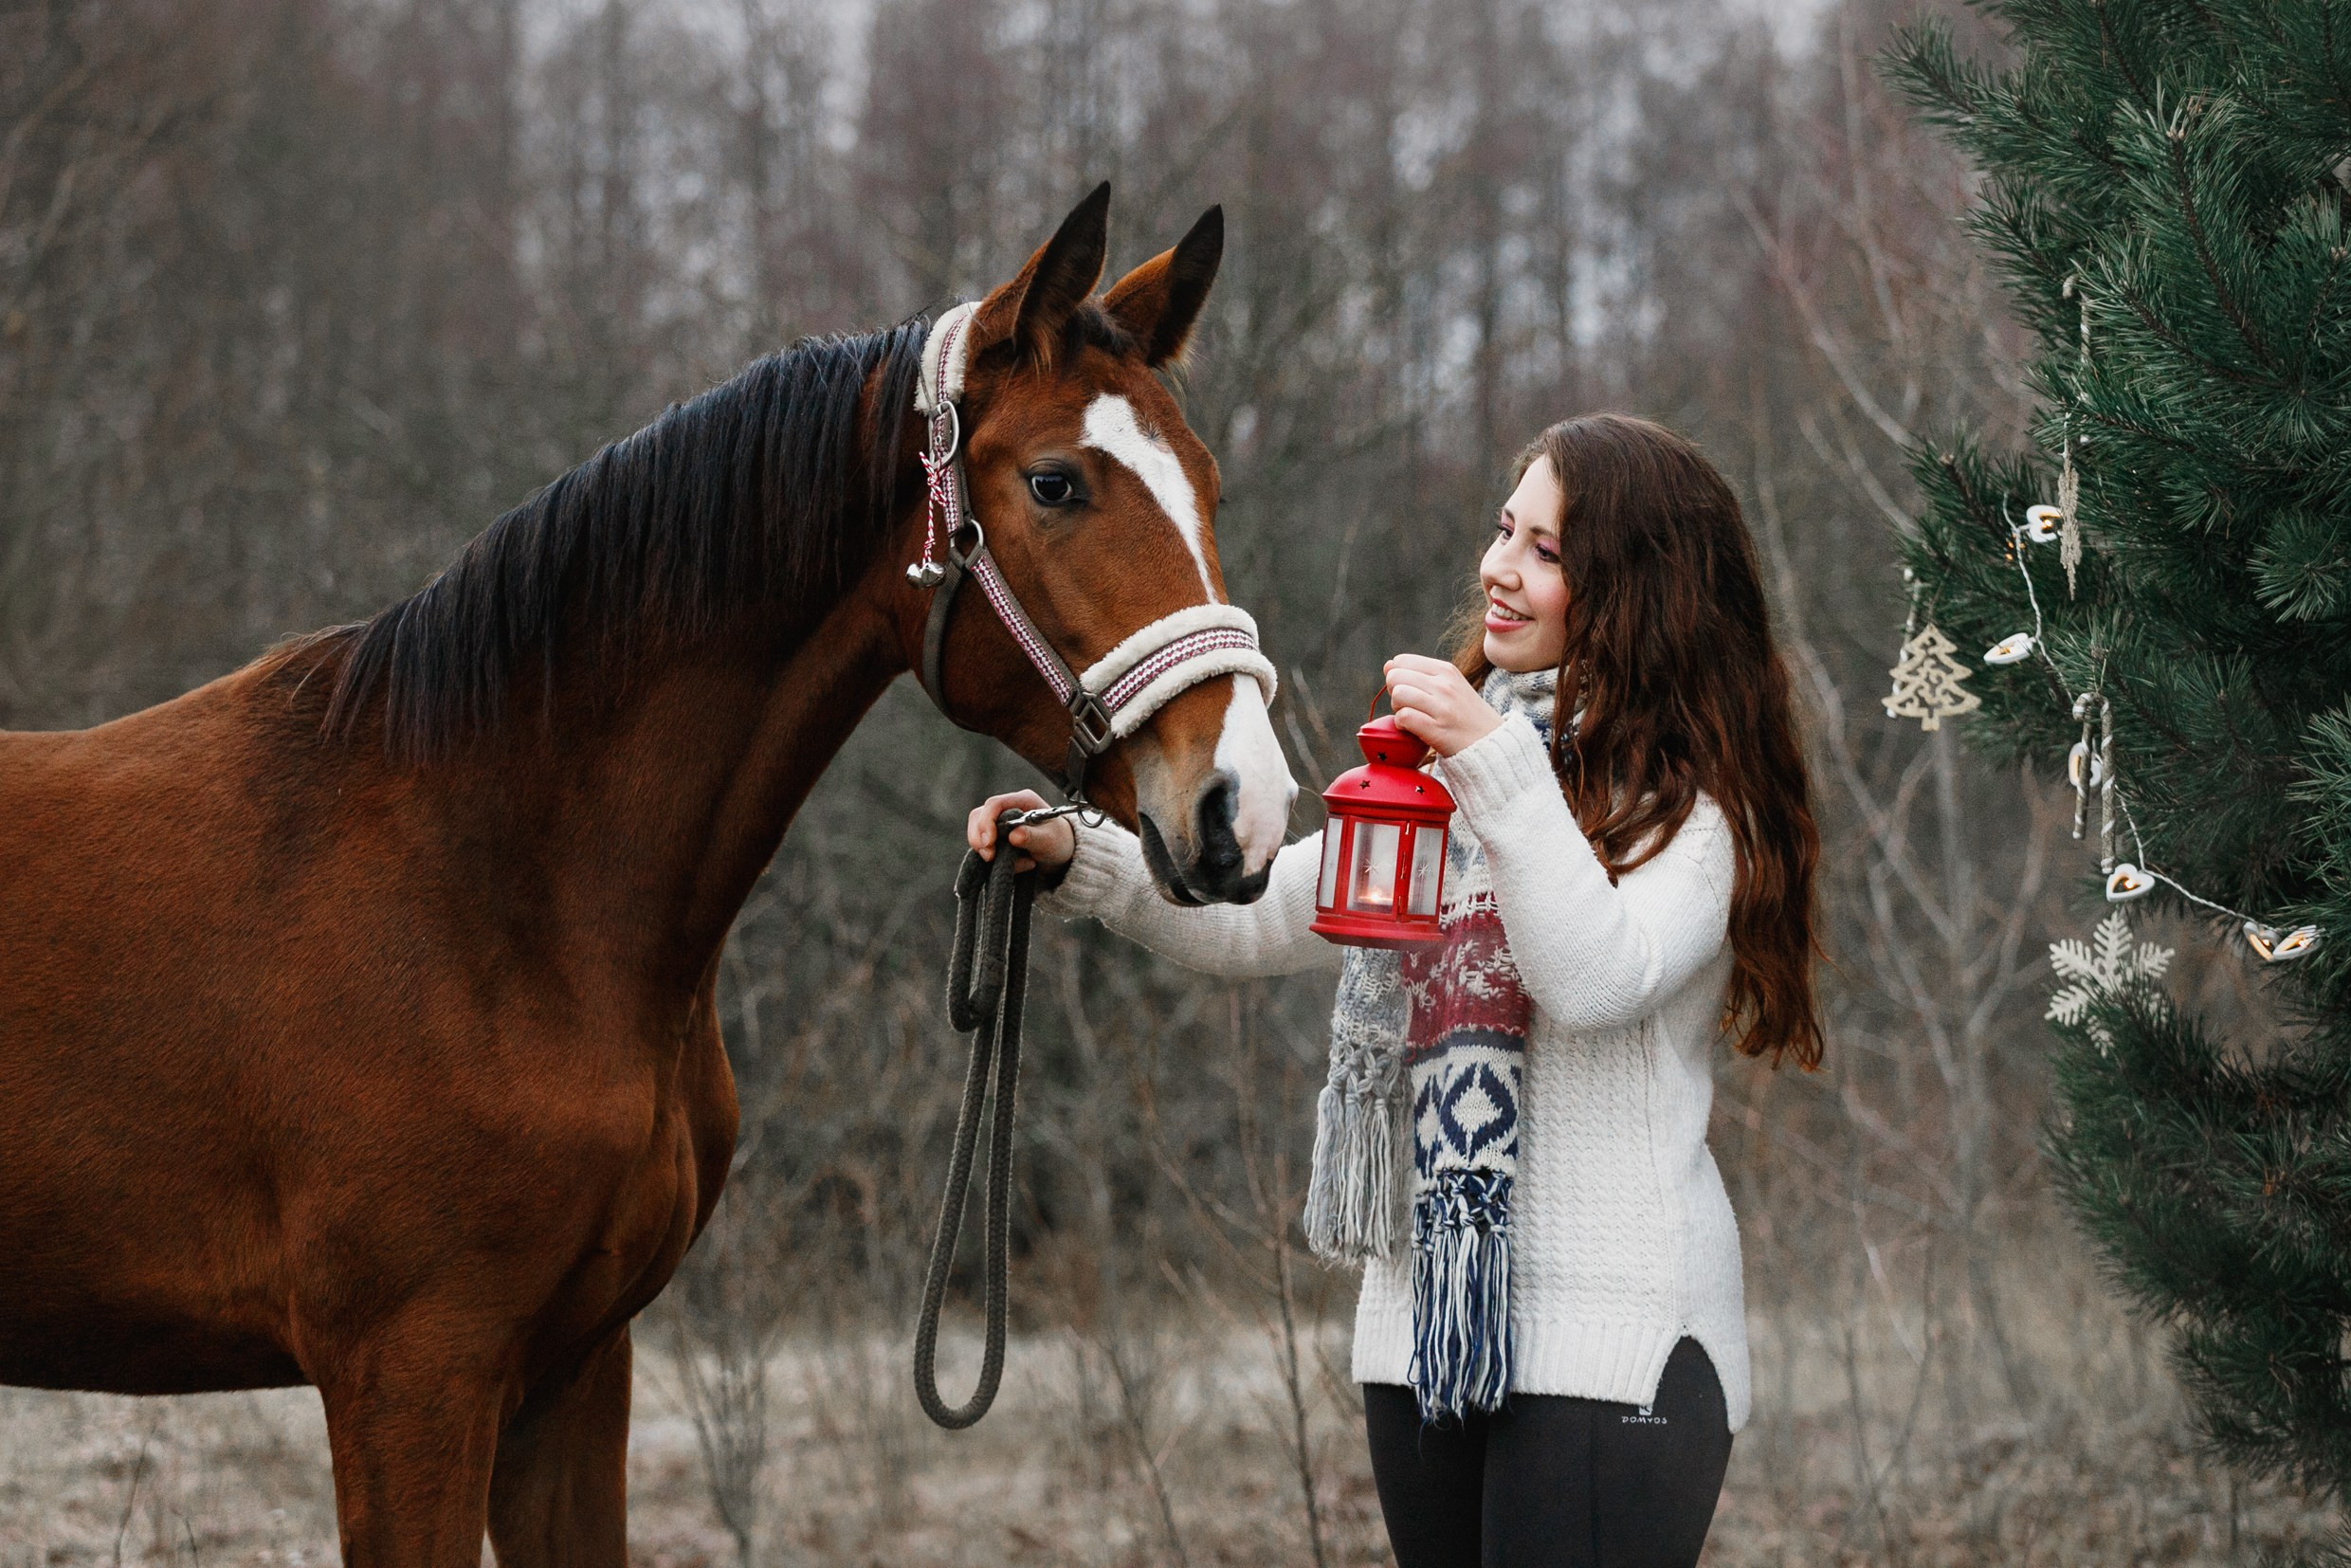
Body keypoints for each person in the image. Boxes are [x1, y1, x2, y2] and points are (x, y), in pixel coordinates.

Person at [969, 413, 1821, 1568]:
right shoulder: (1458, 788)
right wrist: (1087, 858)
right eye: (1501, 528)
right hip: (1426, 1330)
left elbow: (1595, 977)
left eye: (1546, 550)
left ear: (1637, 588)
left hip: (1617, 1340)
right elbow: (1271, 909)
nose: (1496, 567)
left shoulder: (1690, 807)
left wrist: (1490, 761)